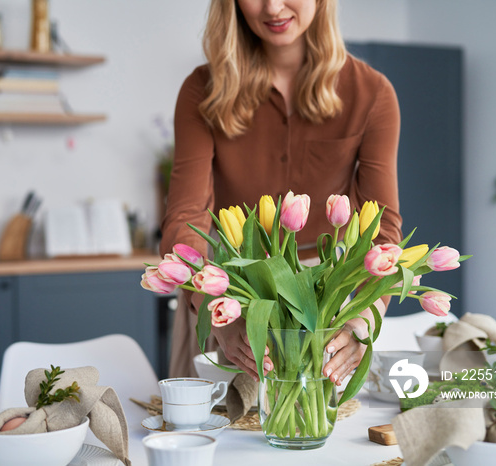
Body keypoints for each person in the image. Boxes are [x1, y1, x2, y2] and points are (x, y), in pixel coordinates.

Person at [160, 0, 402, 384]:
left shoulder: (372, 94)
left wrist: (361, 319)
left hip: (324, 304)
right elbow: (185, 216)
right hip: (227, 289)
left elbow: (384, 229)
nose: (273, 7)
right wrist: (215, 310)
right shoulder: (201, 91)